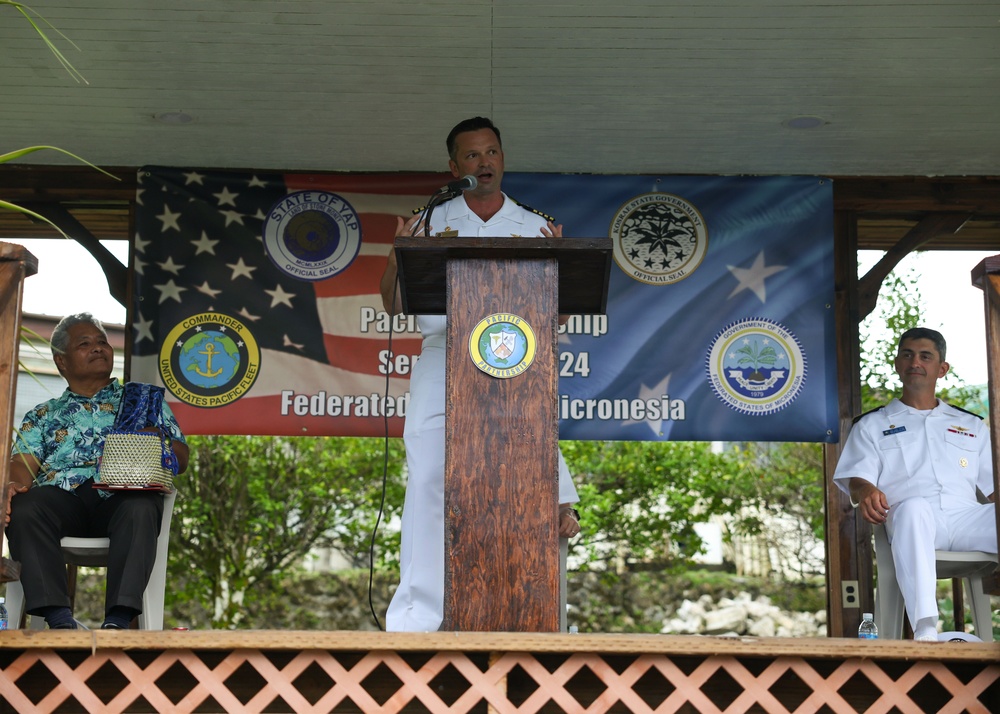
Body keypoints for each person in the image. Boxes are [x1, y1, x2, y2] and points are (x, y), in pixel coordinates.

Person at [379, 116, 581, 631]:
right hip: (445, 353)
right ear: (454, 167)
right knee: (428, 478)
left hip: (515, 360)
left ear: (503, 159)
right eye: (472, 156)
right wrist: (399, 254)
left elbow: (555, 317)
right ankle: (420, 618)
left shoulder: (533, 225)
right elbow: (395, 305)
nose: (484, 162)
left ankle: (520, 609)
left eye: (491, 152)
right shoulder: (429, 220)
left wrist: (557, 258)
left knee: (523, 478)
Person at [5, 313, 189, 630]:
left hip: (122, 499)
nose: (98, 348)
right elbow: (22, 464)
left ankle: (117, 621)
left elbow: (181, 456)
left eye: (102, 341)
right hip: (63, 502)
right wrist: (9, 486)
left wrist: (158, 443)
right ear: (61, 362)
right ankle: (59, 619)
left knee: (141, 506)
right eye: (85, 343)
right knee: (24, 505)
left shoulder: (143, 402)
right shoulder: (44, 413)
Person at [833, 327, 997, 641]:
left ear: (942, 368)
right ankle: (925, 630)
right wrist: (865, 489)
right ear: (897, 364)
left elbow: (992, 490)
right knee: (914, 508)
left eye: (925, 356)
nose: (915, 362)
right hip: (912, 523)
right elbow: (856, 480)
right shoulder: (872, 424)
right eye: (907, 355)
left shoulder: (970, 425)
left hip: (965, 521)